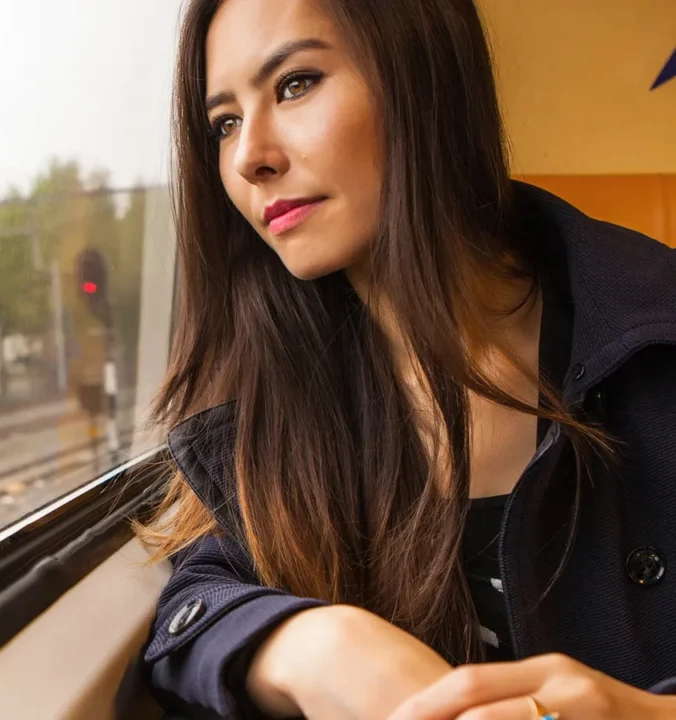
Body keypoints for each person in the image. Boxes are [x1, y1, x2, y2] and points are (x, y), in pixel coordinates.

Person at [137, 0, 676, 718]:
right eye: (224, 122)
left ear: (422, 76)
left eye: (295, 84)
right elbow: (197, 603)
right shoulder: (275, 406)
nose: (248, 157)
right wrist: (313, 643)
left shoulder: (653, 333)